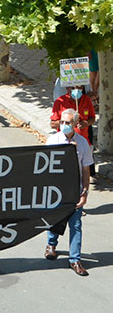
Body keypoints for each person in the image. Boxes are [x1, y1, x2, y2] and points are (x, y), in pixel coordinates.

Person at [44, 108, 92, 276]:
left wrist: (84, 192)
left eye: (68, 123)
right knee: (55, 219)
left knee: (76, 224)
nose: (64, 125)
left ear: (75, 124)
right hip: (56, 190)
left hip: (74, 190)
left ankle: (75, 259)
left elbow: (86, 170)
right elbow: (45, 167)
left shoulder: (83, 144)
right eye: (62, 122)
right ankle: (51, 244)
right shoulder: (53, 141)